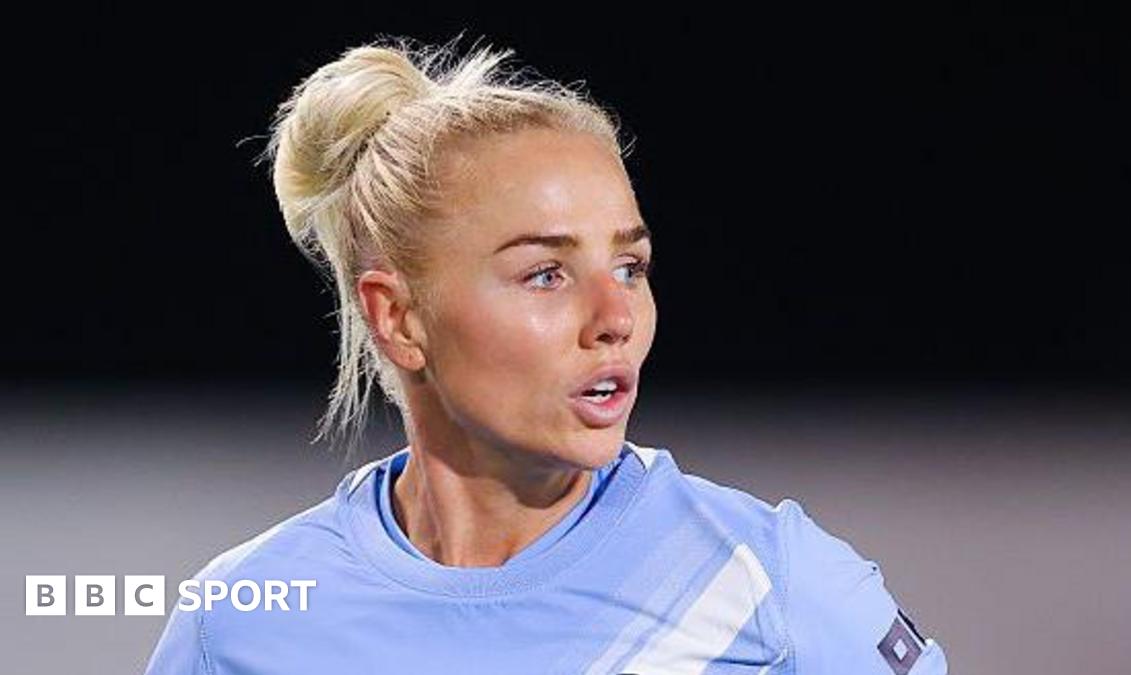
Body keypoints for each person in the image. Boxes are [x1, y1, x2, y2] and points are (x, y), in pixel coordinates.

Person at [144, 36, 948, 675]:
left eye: (629, 266)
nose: (615, 318)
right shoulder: (239, 621)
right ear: (398, 317)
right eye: (546, 274)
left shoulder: (768, 583)